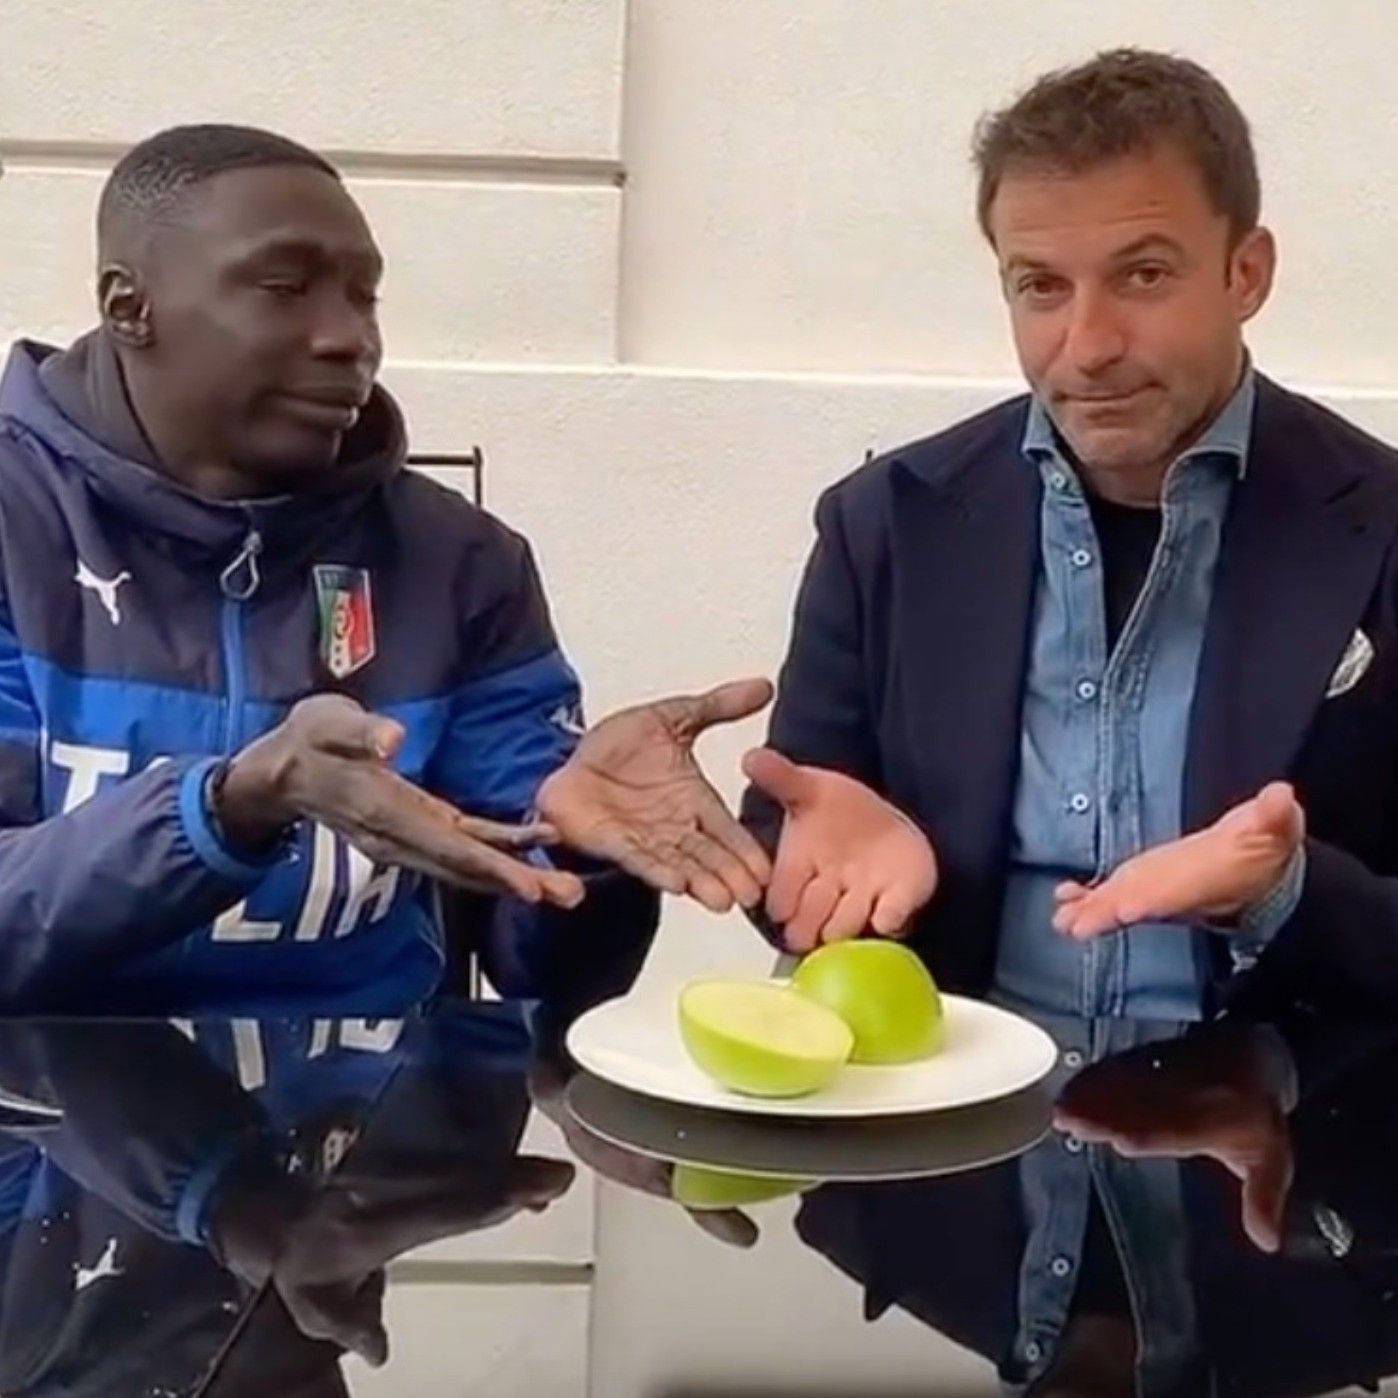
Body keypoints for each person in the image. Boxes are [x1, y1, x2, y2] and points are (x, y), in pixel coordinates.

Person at [738, 46, 1398, 1392]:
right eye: (1038, 286)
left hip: (1295, 1189)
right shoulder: (884, 528)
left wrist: (1281, 893)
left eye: (1142, 276)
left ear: (1248, 271)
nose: (1083, 345)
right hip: (947, 1179)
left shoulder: (1382, 525)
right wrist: (839, 884)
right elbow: (797, 851)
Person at [0, 123, 784, 1015]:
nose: (349, 339)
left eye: (363, 297)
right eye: (285, 288)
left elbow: (555, 980)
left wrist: (585, 855)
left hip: (374, 1096)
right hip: (34, 1092)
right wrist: (229, 807)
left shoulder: (459, 561)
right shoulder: (17, 525)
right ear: (129, 306)